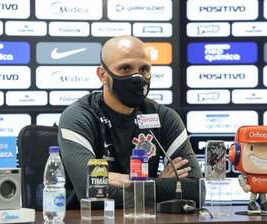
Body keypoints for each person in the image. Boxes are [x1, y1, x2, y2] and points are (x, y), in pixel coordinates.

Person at [58, 35, 204, 208]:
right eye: (125, 68)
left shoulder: (164, 117)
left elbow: (196, 190)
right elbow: (91, 193)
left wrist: (115, 179)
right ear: (103, 75)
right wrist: (160, 183)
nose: (137, 77)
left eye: (144, 69)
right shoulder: (78, 117)